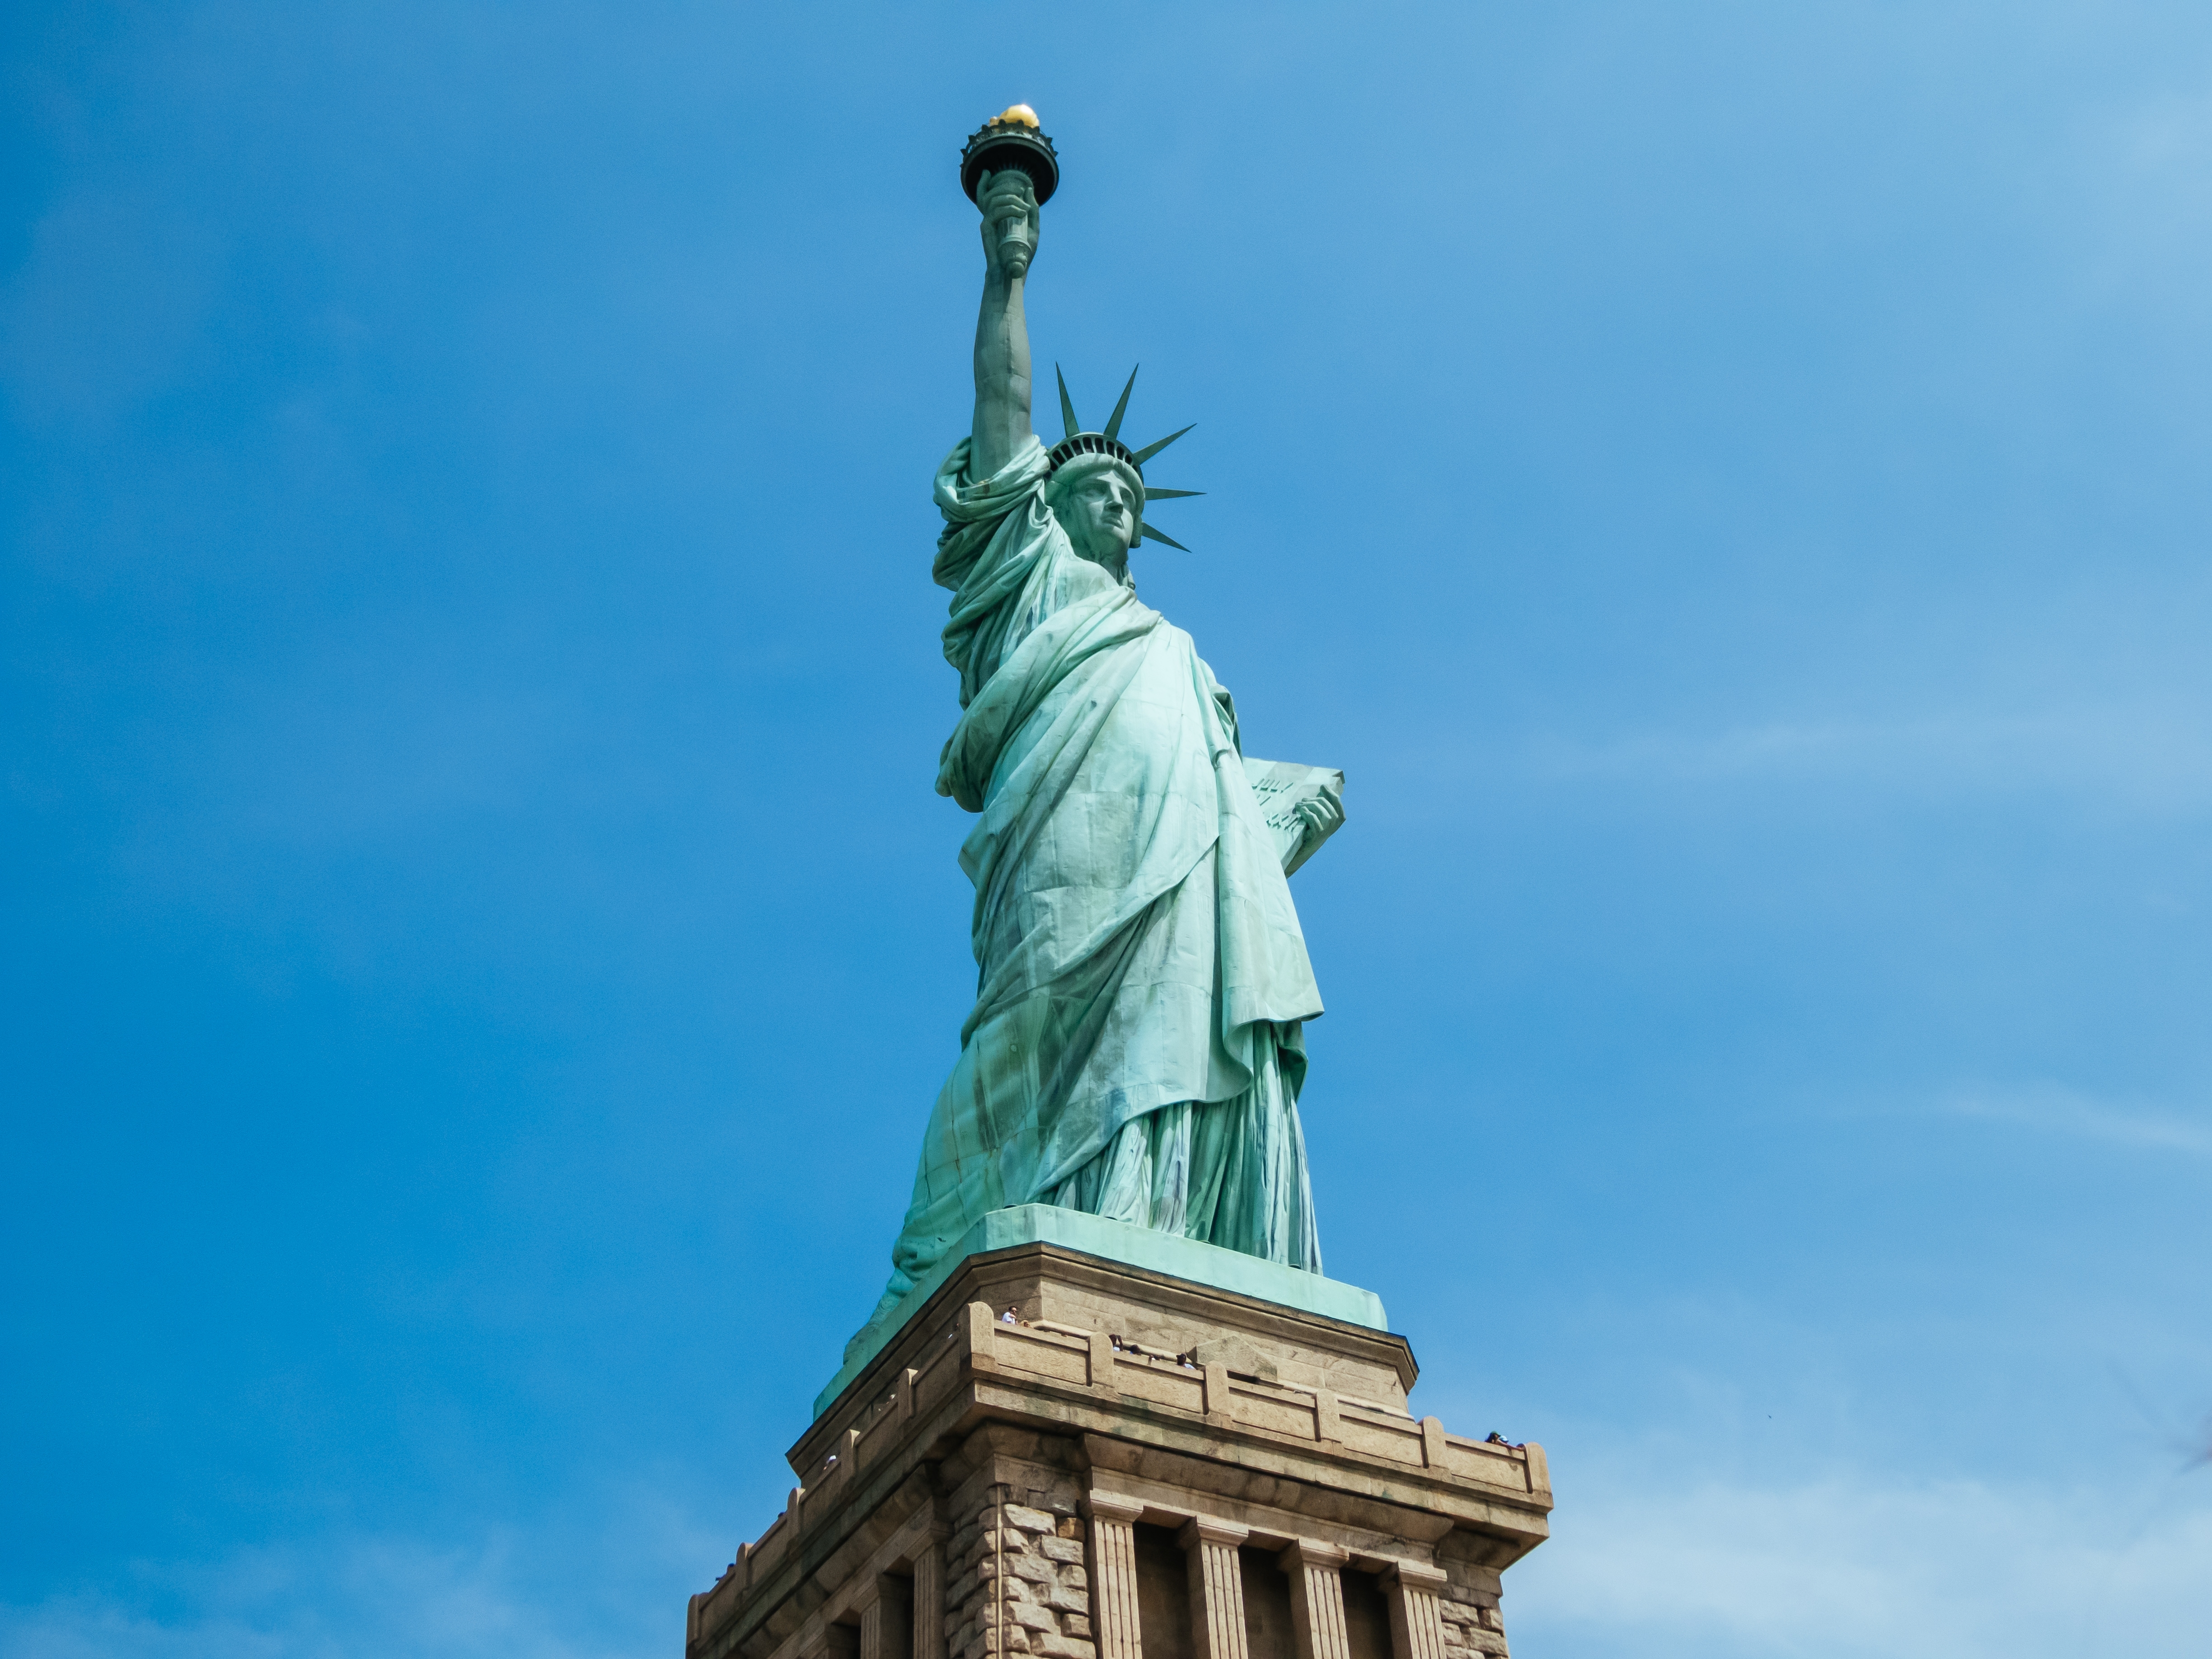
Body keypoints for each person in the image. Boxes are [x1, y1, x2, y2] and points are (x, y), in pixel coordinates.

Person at [849, 164, 1345, 1355]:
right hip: (1061, 842)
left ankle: (1157, 1219)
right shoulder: (1025, 588)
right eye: (1092, 487)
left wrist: (1281, 806)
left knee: (1174, 1002)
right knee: (1032, 1023)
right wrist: (1004, 265)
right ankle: (1023, 1231)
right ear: (1044, 507)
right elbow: (1002, 407)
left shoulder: (1172, 649)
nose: (1117, 504)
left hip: (1175, 856)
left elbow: (1229, 809)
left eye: (1130, 492)